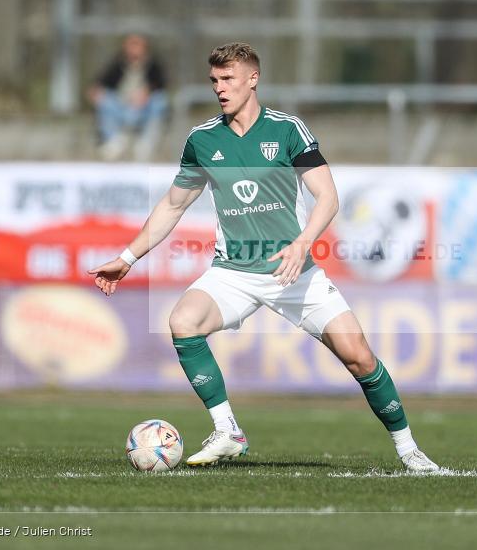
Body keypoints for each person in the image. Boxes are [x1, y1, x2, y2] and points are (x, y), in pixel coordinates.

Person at [88, 42, 439, 472]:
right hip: (233, 272)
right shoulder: (202, 140)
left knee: (360, 357)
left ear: (253, 79)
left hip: (294, 270)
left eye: (228, 79)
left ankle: (409, 451)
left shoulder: (287, 130)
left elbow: (328, 198)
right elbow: (173, 206)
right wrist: (127, 257)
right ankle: (227, 430)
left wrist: (302, 243)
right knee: (183, 321)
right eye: (214, 80)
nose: (220, 88)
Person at [87, 34, 168, 162]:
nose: (133, 49)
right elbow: (101, 82)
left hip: (144, 109)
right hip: (121, 107)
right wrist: (96, 91)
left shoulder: (153, 65)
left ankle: (146, 144)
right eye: (131, 45)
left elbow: (161, 84)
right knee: (104, 99)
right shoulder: (118, 63)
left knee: (160, 101)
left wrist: (146, 93)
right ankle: (113, 142)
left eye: (137, 45)